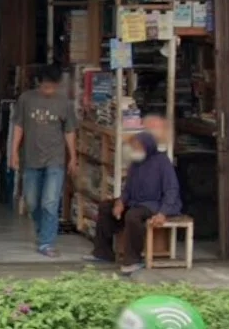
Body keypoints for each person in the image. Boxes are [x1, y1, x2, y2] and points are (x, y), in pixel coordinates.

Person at [86, 126, 182, 275]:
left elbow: (171, 190)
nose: (135, 149)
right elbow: (128, 189)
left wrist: (163, 212)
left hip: (154, 204)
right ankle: (102, 252)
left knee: (133, 215)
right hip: (135, 202)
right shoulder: (136, 163)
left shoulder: (162, 162)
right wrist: (120, 202)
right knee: (105, 206)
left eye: (138, 146)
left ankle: (133, 260)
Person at [10, 65, 78, 258]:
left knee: (50, 202)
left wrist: (73, 157)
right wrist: (13, 152)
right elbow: (18, 127)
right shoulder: (26, 99)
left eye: (52, 86)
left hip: (55, 159)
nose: (49, 90)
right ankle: (42, 234)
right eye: (46, 86)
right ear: (39, 82)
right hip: (31, 158)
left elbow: (69, 131)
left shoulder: (64, 103)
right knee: (32, 202)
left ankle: (47, 242)